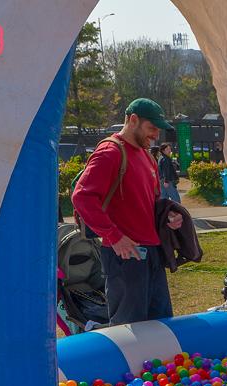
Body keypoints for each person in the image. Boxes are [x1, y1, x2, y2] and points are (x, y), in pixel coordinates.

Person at [71, 98, 184, 326]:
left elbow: (153, 201)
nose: (156, 135)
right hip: (124, 255)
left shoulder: (148, 156)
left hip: (151, 252)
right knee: (128, 327)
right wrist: (114, 237)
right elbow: (82, 197)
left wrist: (168, 216)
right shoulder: (110, 151)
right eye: (152, 128)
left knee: (161, 323)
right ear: (133, 120)